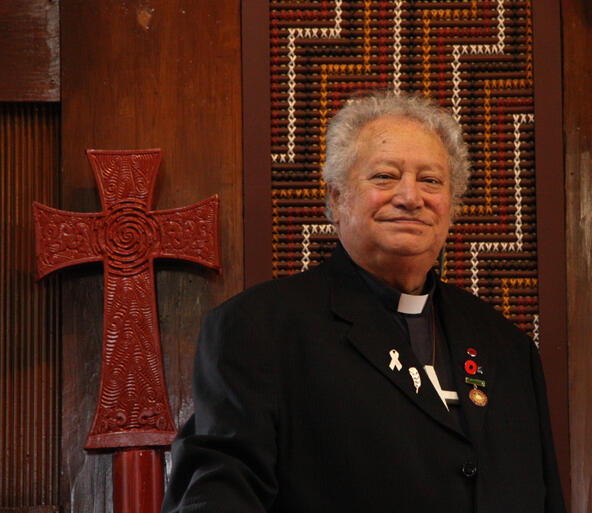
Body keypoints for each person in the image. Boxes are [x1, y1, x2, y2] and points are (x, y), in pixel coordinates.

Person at [162, 92, 566, 513]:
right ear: (336, 199)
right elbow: (219, 496)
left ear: (452, 206)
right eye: (385, 177)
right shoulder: (258, 329)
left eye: (431, 181)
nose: (411, 197)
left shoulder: (509, 350)